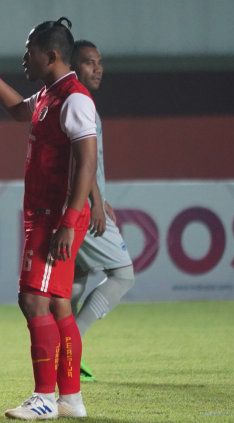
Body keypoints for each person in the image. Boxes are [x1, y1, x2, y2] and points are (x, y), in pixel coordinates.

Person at [0, 17, 97, 420]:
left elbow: (86, 162)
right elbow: (18, 109)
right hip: (46, 214)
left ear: (51, 54)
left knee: (33, 300)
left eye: (29, 48)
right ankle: (70, 398)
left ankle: (44, 397)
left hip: (56, 216)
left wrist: (68, 220)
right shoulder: (51, 94)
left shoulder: (75, 99)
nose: (24, 56)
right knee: (59, 304)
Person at [70, 40, 136, 382]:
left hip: (84, 202)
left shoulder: (74, 99)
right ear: (71, 65)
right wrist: (95, 201)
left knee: (76, 281)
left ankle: (66, 353)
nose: (98, 68)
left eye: (99, 62)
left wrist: (101, 196)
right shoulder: (79, 101)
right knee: (123, 275)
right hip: (82, 207)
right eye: (88, 62)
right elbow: (81, 157)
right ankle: (71, 345)